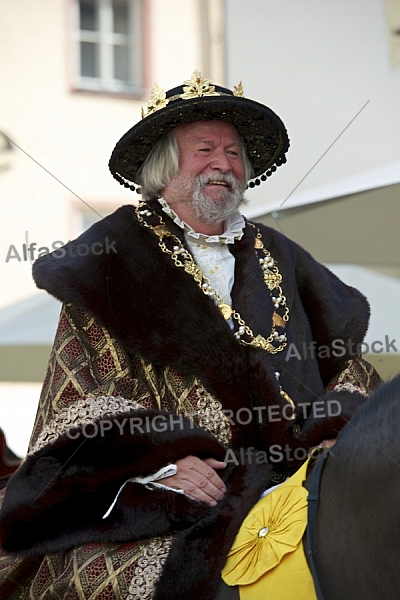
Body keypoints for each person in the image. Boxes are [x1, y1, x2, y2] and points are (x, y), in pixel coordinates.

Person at [0, 70, 381, 600]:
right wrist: (160, 465)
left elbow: (349, 365)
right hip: (173, 501)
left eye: (233, 153)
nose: (223, 164)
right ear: (164, 169)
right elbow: (76, 401)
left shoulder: (286, 257)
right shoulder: (110, 261)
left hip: (301, 484)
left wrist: (345, 427)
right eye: (204, 150)